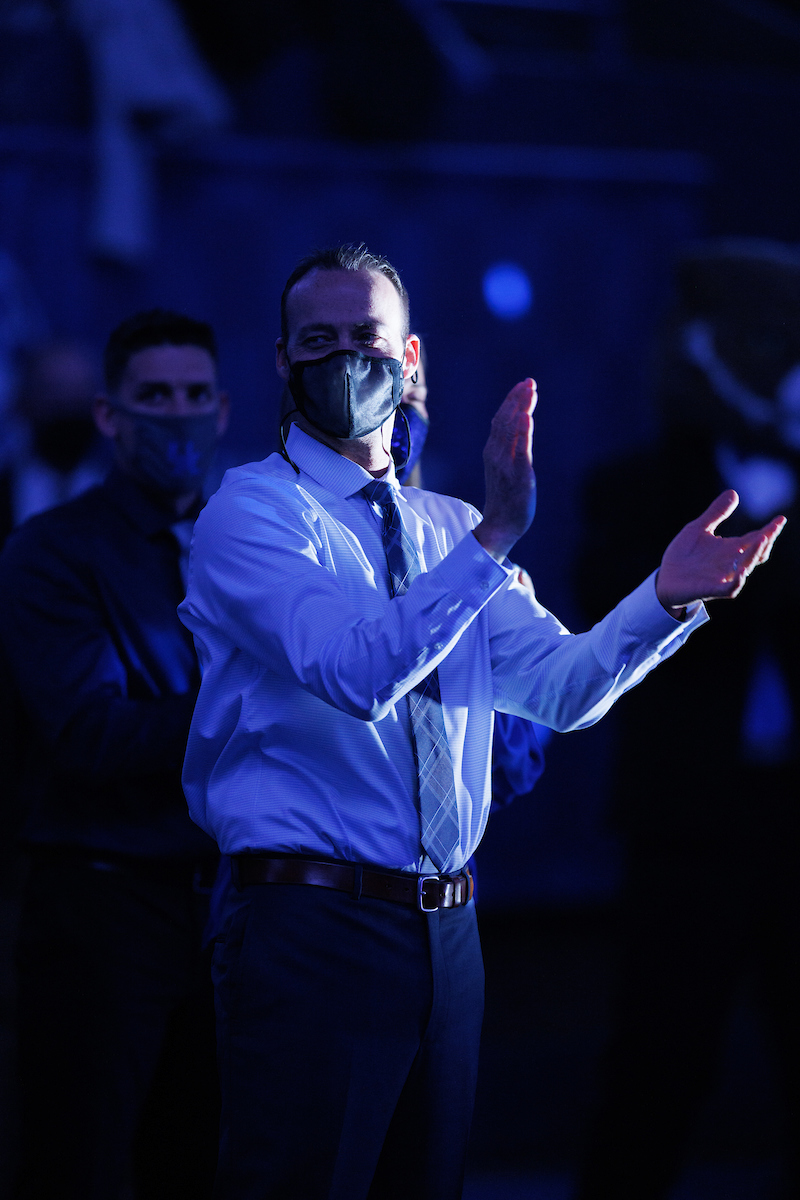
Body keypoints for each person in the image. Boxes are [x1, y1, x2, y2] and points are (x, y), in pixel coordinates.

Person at [179, 243, 784, 1200]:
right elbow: (356, 671)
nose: (347, 361)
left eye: (367, 340)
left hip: (447, 930)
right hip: (310, 921)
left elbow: (560, 690)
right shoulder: (252, 512)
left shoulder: (445, 526)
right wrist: (498, 536)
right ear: (284, 361)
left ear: (409, 358)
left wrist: (662, 599)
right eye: (320, 341)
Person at [574, 241, 800, 1199]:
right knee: (657, 1065)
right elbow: (615, 642)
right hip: (688, 827)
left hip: (798, 824)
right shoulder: (634, 489)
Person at [0, 309, 229, 1200]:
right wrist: (263, 702)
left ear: (222, 408)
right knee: (79, 1166)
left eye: (194, 395)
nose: (176, 415)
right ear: (110, 414)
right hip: (101, 907)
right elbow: (90, 735)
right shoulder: (51, 552)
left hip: (223, 906)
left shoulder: (246, 543)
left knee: (203, 1165)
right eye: (154, 397)